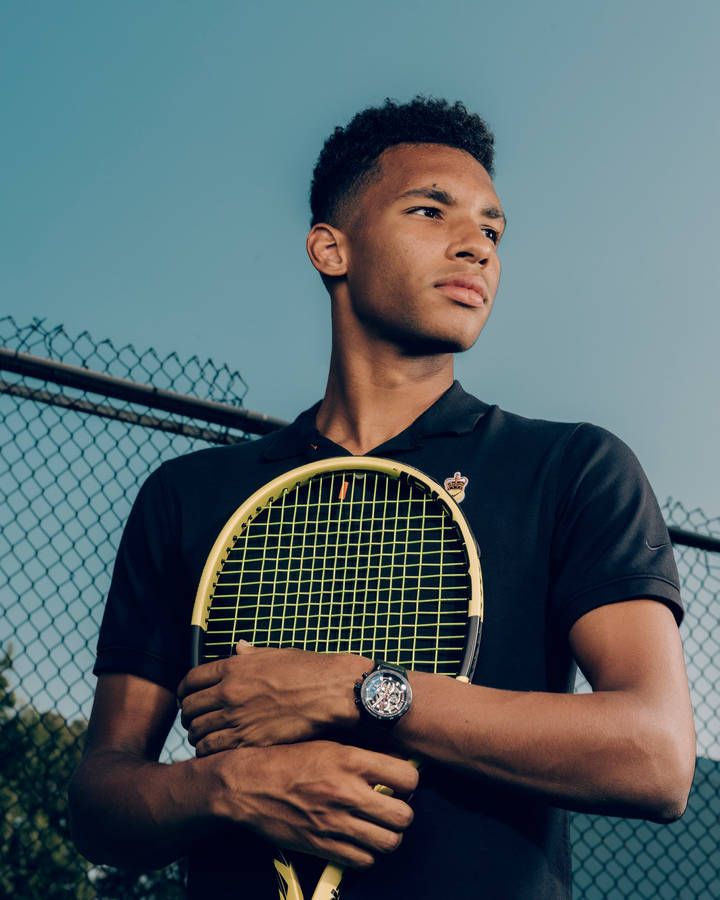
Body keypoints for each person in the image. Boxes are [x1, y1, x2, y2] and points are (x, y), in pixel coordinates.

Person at [69, 97, 695, 899]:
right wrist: (230, 786)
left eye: (492, 230)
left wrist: (354, 688)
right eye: (430, 210)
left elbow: (656, 757)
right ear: (332, 248)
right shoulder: (189, 496)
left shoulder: (573, 467)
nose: (476, 246)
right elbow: (100, 801)